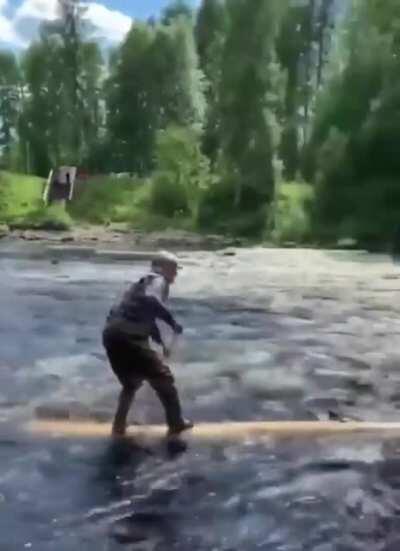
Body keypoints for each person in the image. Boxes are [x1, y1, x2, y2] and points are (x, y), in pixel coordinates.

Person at [102, 251, 193, 437]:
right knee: (164, 378)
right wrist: (172, 322)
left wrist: (160, 341)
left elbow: (146, 318)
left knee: (131, 382)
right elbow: (152, 301)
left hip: (112, 335)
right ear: (162, 268)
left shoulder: (139, 286)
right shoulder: (157, 281)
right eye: (174, 269)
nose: (175, 274)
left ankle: (118, 427)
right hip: (128, 336)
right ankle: (176, 423)